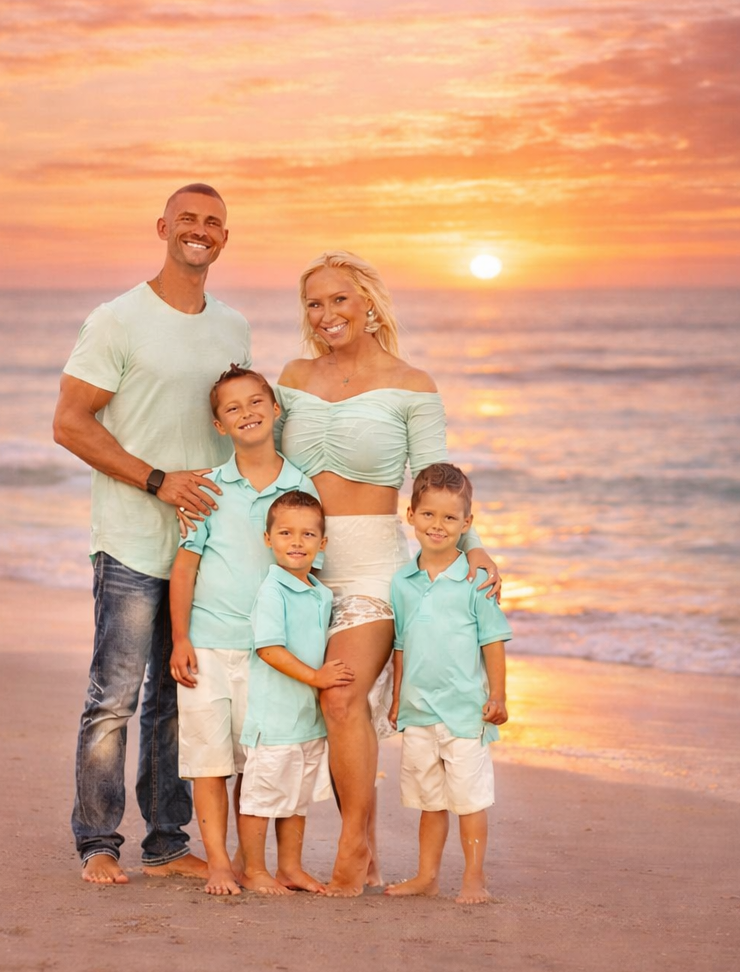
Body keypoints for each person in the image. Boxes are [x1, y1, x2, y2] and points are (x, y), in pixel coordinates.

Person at [277, 251, 502, 897]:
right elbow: (263, 457)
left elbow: (437, 480)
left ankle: (352, 848)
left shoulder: (412, 384)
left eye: (339, 300)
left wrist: (475, 547)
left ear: (368, 304)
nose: (326, 315)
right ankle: (366, 852)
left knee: (341, 696)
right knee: (307, 710)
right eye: (314, 304)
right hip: (302, 568)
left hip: (374, 568)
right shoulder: (292, 376)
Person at [53, 184, 251, 885]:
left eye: (213, 223)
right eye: (188, 220)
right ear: (163, 228)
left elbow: (243, 420)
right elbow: (71, 423)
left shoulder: (233, 327)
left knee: (180, 695)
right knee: (115, 696)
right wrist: (158, 480)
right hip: (134, 539)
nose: (200, 231)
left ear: (225, 237)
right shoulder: (118, 319)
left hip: (206, 547)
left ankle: (166, 843)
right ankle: (98, 841)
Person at [169, 366, 319, 896]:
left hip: (271, 653)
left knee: (265, 759)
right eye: (233, 408)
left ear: (276, 410)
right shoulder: (208, 488)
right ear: (219, 425)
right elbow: (185, 566)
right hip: (209, 645)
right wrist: (181, 638)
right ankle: (216, 862)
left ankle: (257, 861)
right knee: (210, 759)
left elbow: (310, 567)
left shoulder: (301, 486)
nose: (247, 413)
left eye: (257, 402)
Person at [385, 463, 510, 904]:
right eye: (429, 515)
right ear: (411, 515)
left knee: (470, 801)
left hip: (464, 712)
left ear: (467, 524)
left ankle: (474, 878)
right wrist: (398, 696)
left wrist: (498, 694)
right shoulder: (402, 581)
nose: (438, 526)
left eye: (450, 518)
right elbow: (401, 644)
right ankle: (427, 875)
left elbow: (493, 641)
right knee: (429, 800)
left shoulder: (476, 581)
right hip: (419, 710)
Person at [236, 491, 354, 895]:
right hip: (274, 720)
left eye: (307, 534)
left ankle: (290, 867)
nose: (296, 542)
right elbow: (269, 649)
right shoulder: (273, 591)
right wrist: (317, 678)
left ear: (322, 543)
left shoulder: (320, 594)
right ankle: (254, 869)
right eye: (285, 533)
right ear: (268, 539)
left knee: (295, 801)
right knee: (261, 799)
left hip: (306, 721)